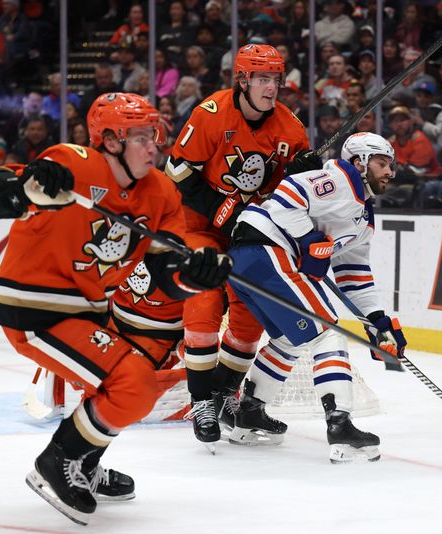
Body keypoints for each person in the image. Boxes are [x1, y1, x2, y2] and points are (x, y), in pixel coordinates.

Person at [0, 92, 231, 525]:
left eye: (155, 136)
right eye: (142, 138)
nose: (155, 147)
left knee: (127, 383)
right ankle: (59, 461)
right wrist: (27, 187)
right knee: (134, 384)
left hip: (90, 312)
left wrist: (194, 275)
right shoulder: (73, 163)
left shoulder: (161, 192)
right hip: (38, 311)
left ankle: (84, 464)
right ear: (110, 140)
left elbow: (166, 271)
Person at [164, 44, 314, 452]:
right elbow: (177, 174)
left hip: (252, 233)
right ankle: (201, 404)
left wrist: (301, 175)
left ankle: (223, 396)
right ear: (243, 81)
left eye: (275, 80)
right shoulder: (210, 114)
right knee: (205, 299)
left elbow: (298, 194)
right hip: (200, 226)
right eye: (262, 79)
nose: (271, 88)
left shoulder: (291, 130)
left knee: (250, 316)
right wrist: (222, 213)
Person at [227, 132, 407, 463]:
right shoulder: (340, 178)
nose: (390, 172)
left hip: (251, 260)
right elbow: (287, 195)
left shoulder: (364, 218)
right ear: (360, 162)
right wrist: (308, 238)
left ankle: (250, 413)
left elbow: (353, 272)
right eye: (382, 163)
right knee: (328, 331)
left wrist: (377, 320)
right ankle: (340, 424)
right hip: (265, 247)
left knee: (291, 338)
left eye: (391, 166)